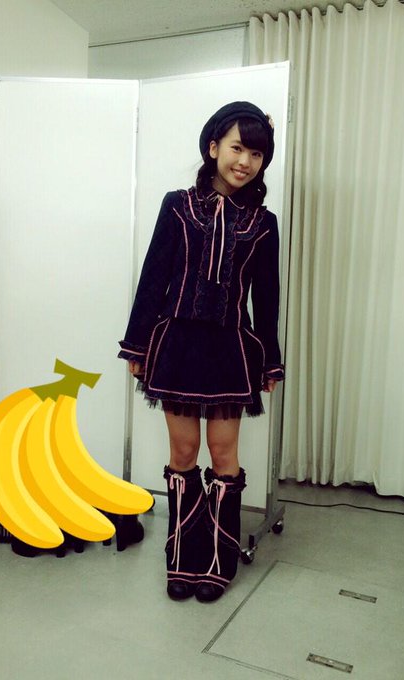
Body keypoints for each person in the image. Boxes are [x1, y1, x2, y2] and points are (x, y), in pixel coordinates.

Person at [118, 101, 284, 603]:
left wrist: (270, 358)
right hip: (178, 347)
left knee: (225, 453)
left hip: (230, 349)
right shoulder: (177, 206)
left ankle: (218, 559)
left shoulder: (264, 222)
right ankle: (182, 557)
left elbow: (267, 297)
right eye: (238, 148)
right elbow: (153, 278)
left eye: (257, 153)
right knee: (184, 452)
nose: (246, 161)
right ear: (213, 148)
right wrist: (137, 343)